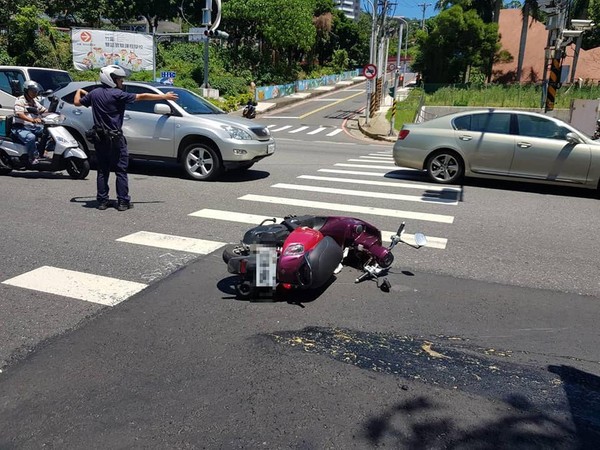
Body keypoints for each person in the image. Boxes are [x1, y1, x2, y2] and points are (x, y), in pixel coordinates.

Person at [74, 65, 178, 211]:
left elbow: (77, 102)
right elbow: (141, 97)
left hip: (100, 138)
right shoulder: (118, 95)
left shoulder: (94, 94)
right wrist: (164, 96)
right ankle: (123, 201)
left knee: (102, 170)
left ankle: (102, 201)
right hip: (115, 138)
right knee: (120, 170)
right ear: (111, 80)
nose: (122, 83)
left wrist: (79, 91)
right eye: (120, 80)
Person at [12, 80, 48, 165]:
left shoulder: (34, 102)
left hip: (32, 127)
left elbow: (44, 111)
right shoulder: (20, 100)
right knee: (31, 137)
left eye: (35, 91)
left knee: (48, 132)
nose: (35, 93)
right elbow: (20, 114)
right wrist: (32, 120)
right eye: (32, 91)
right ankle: (32, 157)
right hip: (19, 127)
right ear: (26, 91)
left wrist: (54, 112)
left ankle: (42, 151)